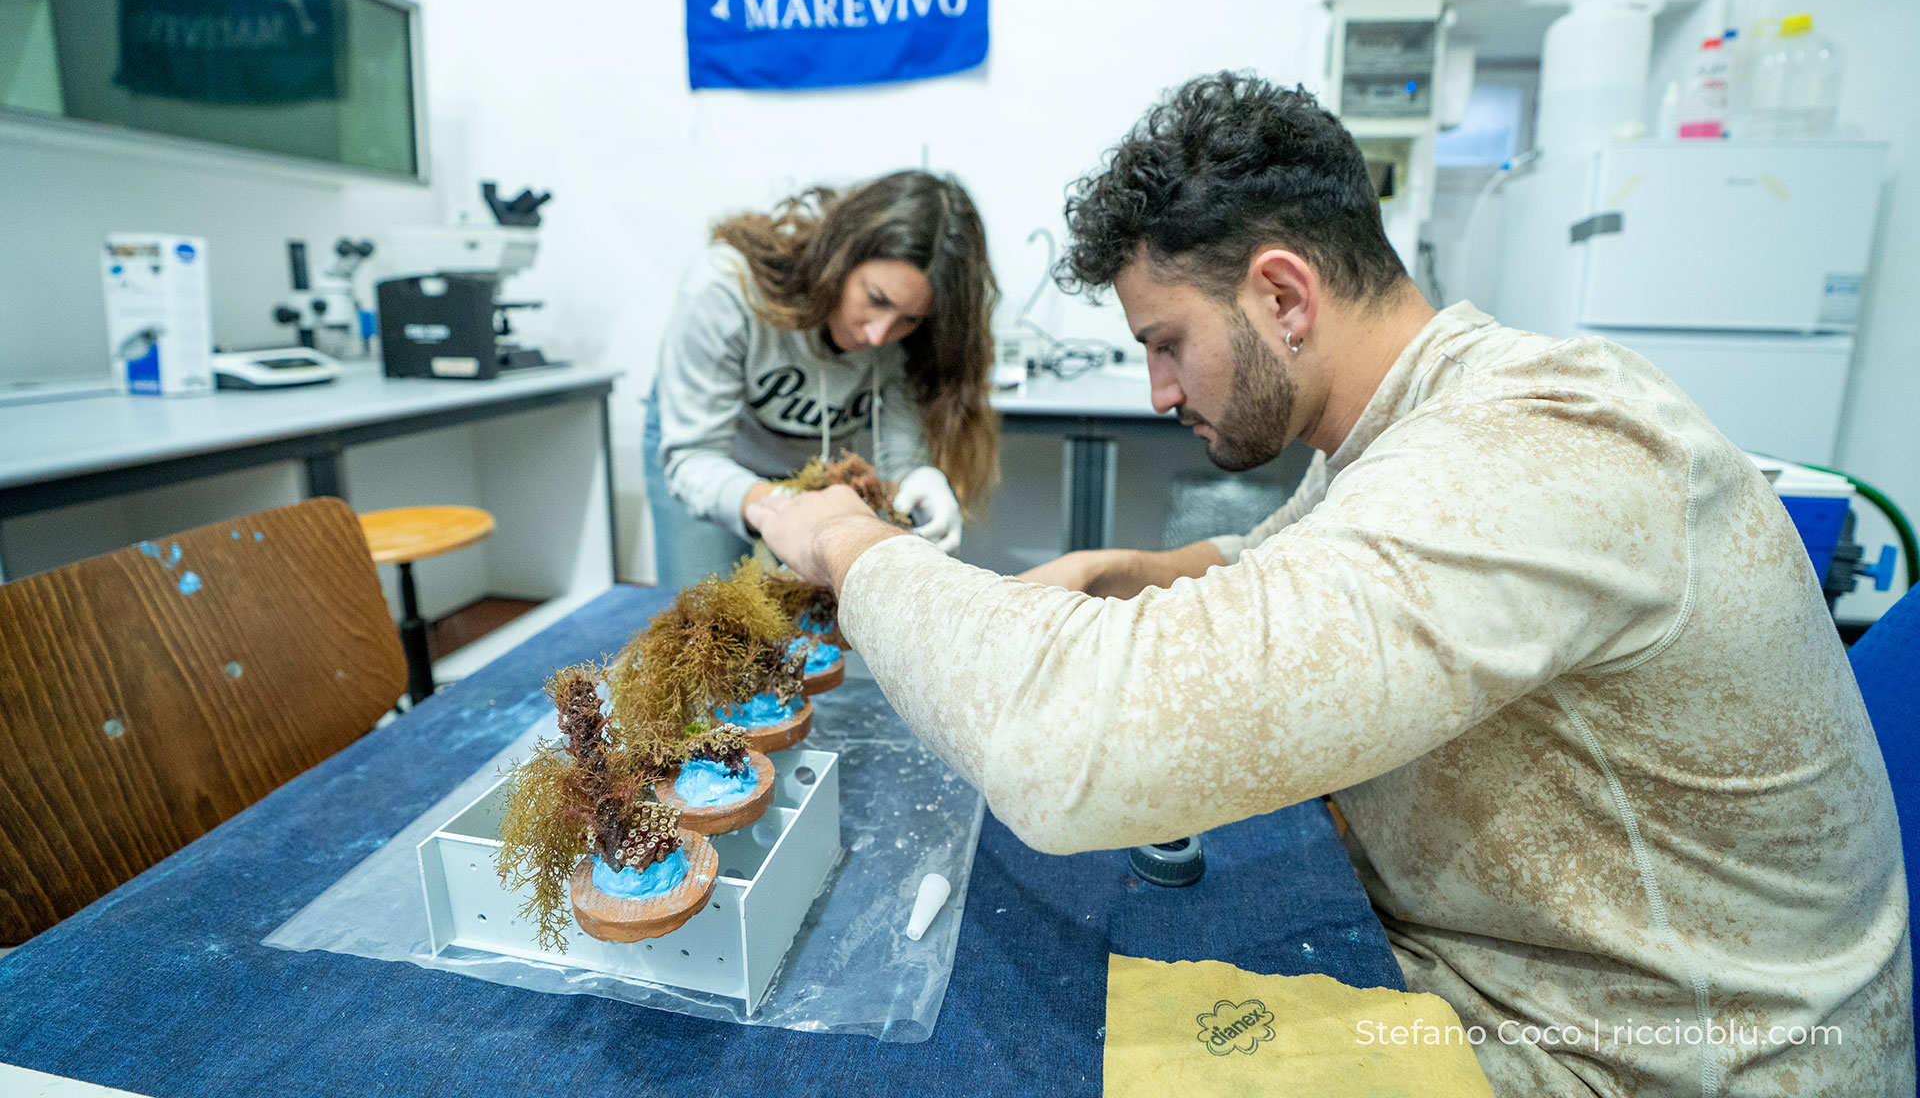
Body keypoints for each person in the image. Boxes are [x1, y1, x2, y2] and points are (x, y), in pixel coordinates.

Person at [746, 74, 1912, 1094]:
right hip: (1515, 985)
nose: (1158, 392)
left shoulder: (1537, 447)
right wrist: (1128, 573)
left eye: (1167, 341)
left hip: (1645, 1060)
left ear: (1284, 297)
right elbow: (1294, 556)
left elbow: (1068, 752)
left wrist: (850, 542)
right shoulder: (1424, 418)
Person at [644, 170, 999, 590]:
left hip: (812, 468)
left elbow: (898, 460)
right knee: (706, 611)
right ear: (841, 258)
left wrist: (917, 480)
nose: (878, 335)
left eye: (909, 318)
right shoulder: (725, 286)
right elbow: (695, 456)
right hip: (709, 454)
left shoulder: (912, 340)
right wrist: (786, 512)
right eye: (876, 299)